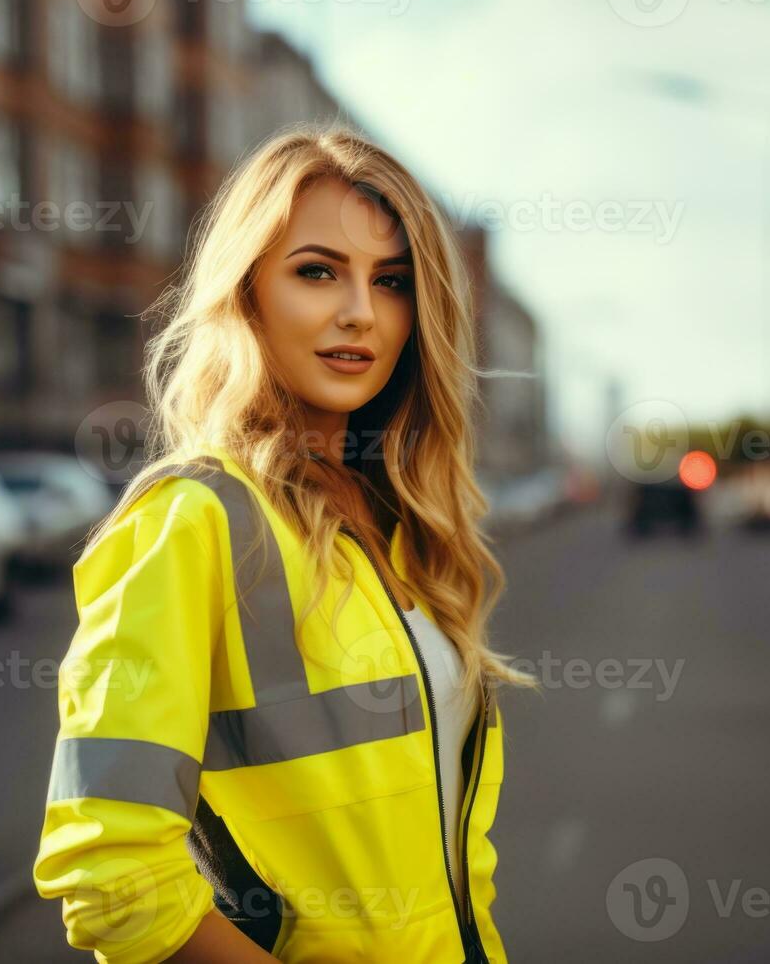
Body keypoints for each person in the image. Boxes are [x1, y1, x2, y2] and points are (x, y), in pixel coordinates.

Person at [34, 122, 538, 963]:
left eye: (390, 281)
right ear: (247, 291)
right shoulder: (191, 521)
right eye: (316, 272)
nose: (358, 313)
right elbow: (111, 873)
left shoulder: (400, 529)